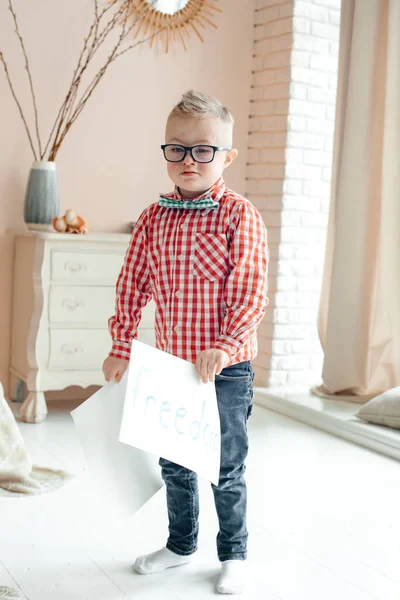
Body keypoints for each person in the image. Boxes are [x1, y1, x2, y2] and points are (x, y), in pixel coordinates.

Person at [102, 90, 269, 595]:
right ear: (165, 152)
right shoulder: (153, 220)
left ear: (227, 157)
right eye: (177, 148)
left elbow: (250, 289)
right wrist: (122, 344)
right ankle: (180, 544)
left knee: (225, 466)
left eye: (203, 150)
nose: (189, 160)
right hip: (170, 368)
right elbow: (133, 283)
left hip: (225, 370)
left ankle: (233, 553)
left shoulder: (238, 216)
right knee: (174, 462)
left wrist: (225, 344)